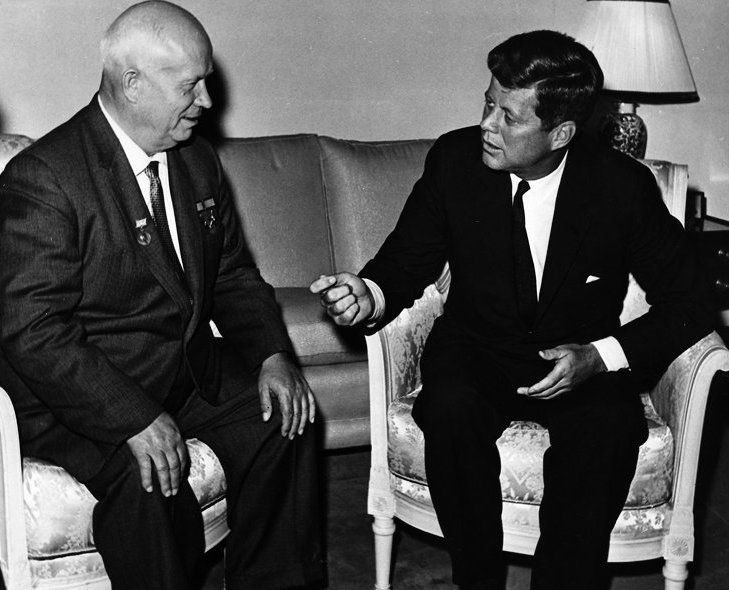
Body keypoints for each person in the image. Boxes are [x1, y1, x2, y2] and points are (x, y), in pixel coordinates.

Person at [311, 30, 710, 590]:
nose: (486, 125)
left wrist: (599, 357)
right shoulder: (454, 161)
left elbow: (691, 300)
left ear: (560, 133)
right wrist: (367, 294)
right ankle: (477, 581)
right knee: (447, 408)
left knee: (607, 432)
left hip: (580, 359)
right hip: (476, 349)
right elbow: (405, 260)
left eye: (509, 117)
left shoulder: (620, 186)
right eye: (487, 104)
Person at [0, 2, 323, 589]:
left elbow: (232, 274)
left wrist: (273, 356)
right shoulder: (46, 178)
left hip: (180, 372)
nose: (206, 101)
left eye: (207, 81)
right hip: (77, 394)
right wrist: (133, 418)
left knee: (286, 417)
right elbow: (33, 330)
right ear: (133, 84)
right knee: (148, 479)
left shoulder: (196, 160)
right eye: (190, 85)